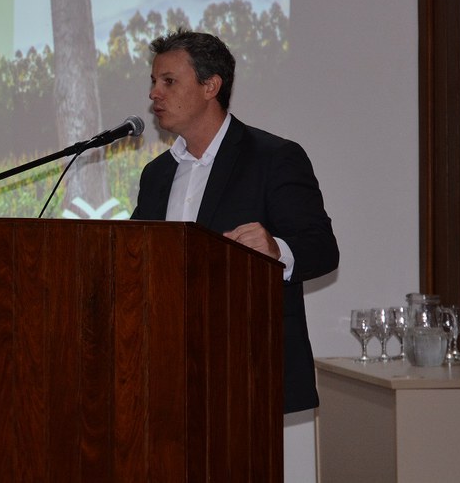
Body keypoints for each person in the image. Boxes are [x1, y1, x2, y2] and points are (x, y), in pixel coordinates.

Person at [131, 29, 339, 414]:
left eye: (169, 81)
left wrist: (278, 250)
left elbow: (323, 248)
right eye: (154, 81)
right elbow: (133, 260)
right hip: (162, 371)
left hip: (245, 370)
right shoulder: (157, 174)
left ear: (211, 86)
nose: (154, 93)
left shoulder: (273, 157)